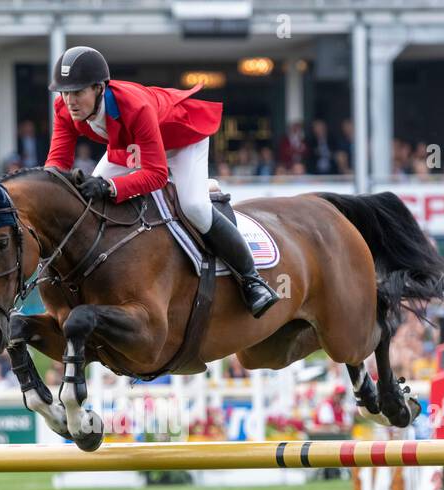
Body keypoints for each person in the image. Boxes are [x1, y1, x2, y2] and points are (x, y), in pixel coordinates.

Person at [44, 45, 279, 316]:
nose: (69, 100)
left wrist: (111, 186)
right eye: (64, 91)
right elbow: (57, 162)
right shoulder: (63, 106)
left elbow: (155, 175)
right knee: (89, 205)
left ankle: (252, 281)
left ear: (98, 88)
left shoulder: (134, 106)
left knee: (195, 208)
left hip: (181, 140)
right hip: (133, 145)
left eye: (77, 92)